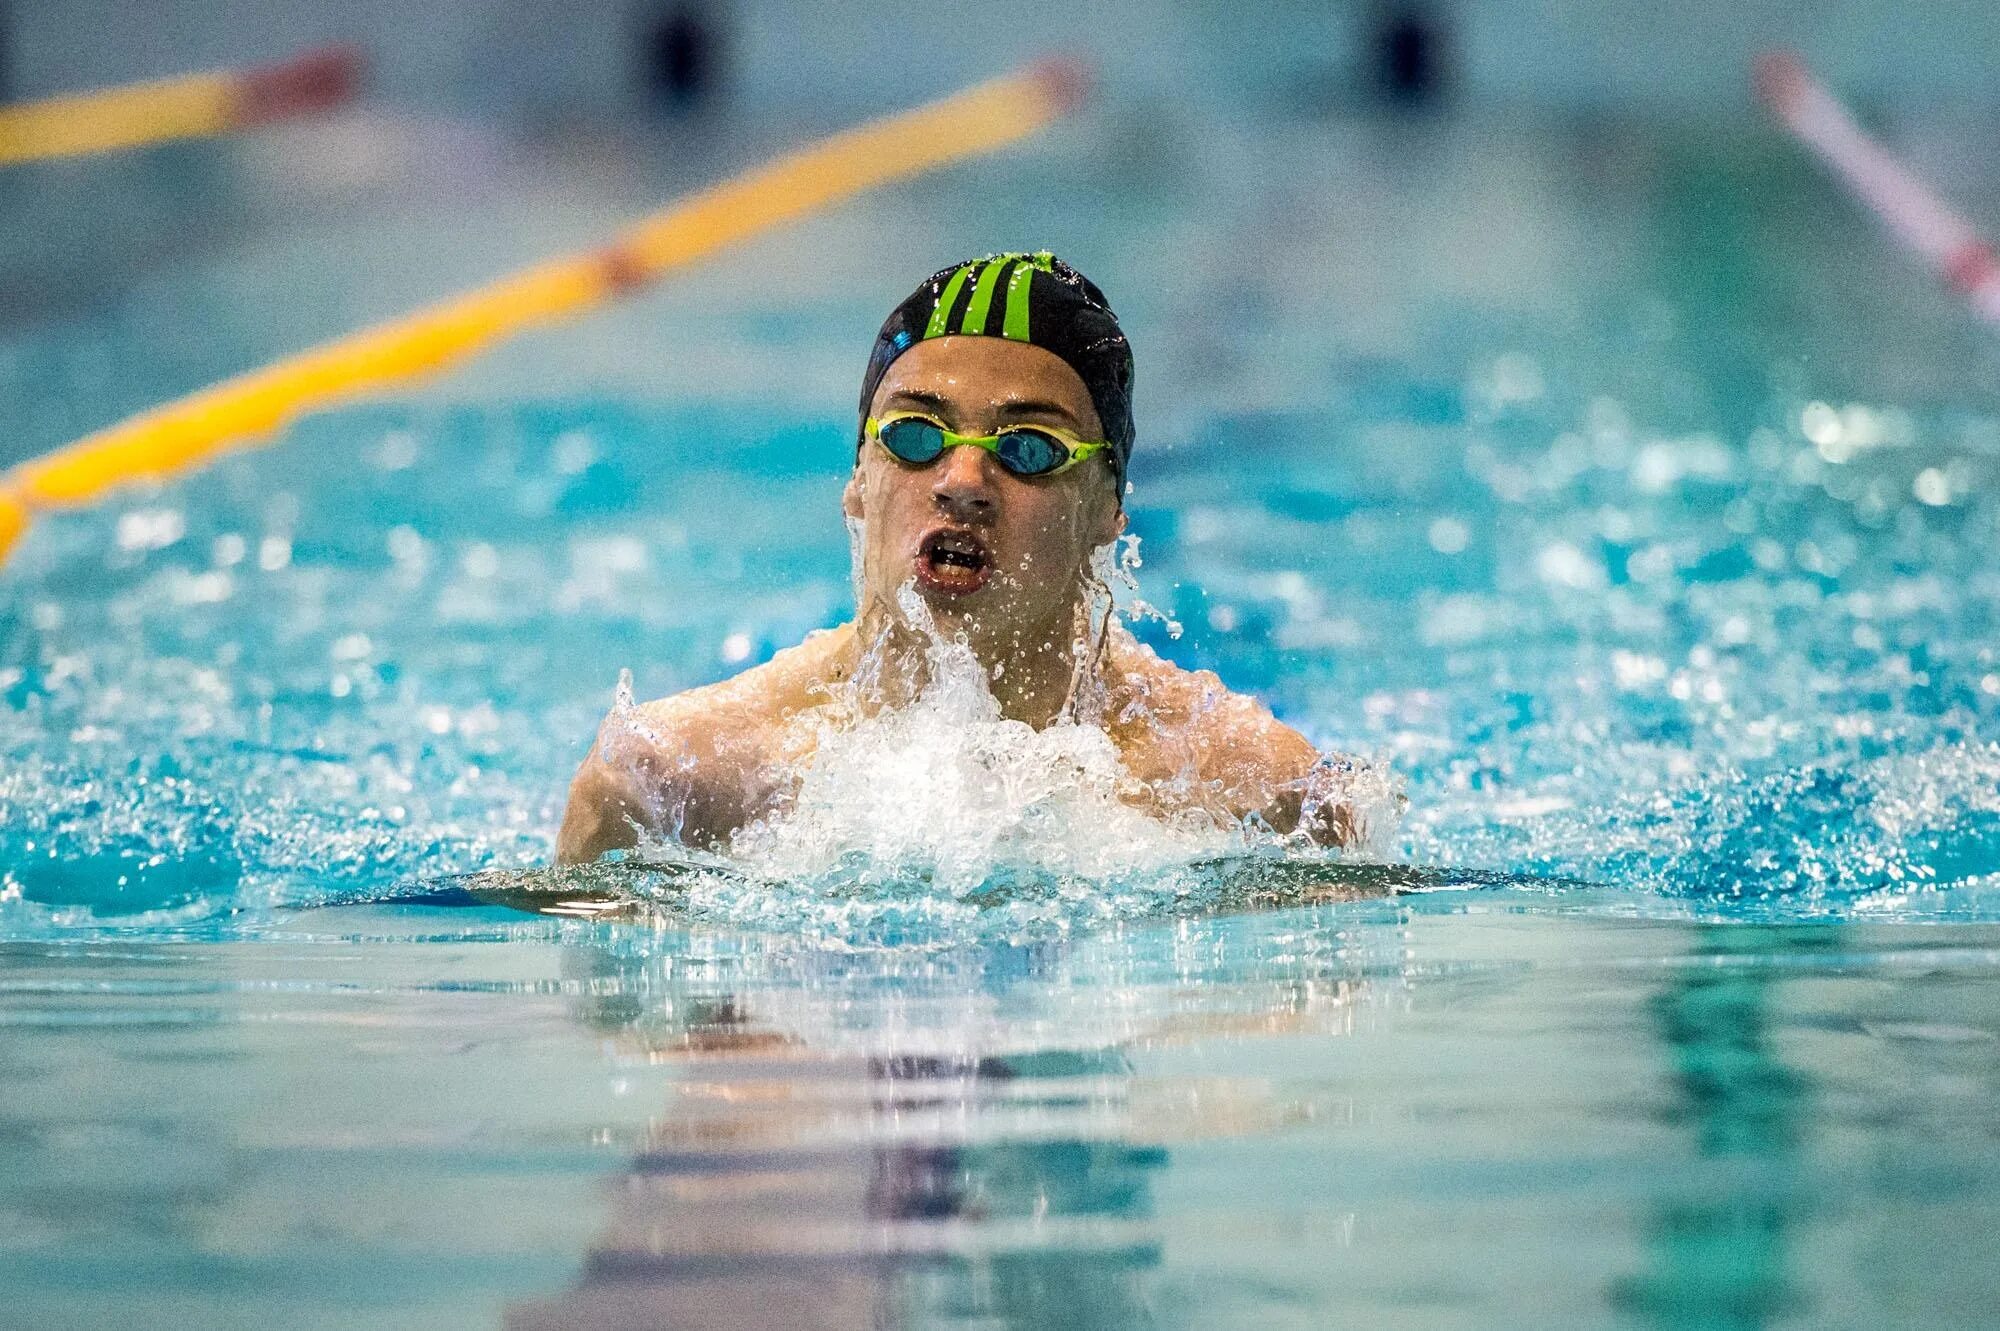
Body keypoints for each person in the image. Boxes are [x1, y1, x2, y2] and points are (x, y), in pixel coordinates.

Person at [556, 252, 1362, 864]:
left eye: (1029, 448)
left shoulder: (1265, 793)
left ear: (1108, 511)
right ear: (857, 484)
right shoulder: (668, 784)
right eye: (914, 435)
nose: (964, 481)